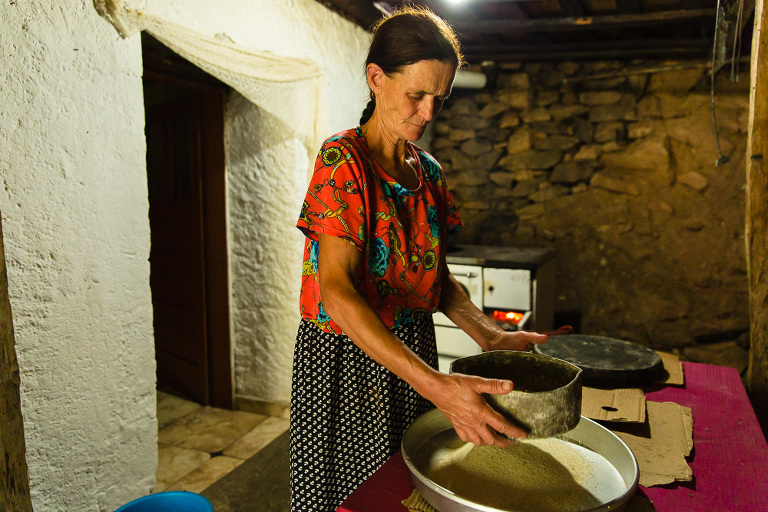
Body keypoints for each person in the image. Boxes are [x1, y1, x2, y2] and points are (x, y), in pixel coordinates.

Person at [290, 6, 547, 511]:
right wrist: (439, 386)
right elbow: (336, 293)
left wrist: (490, 334)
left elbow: (436, 278)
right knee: (358, 497)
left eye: (439, 98)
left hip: (412, 350)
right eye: (416, 95)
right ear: (376, 79)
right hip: (349, 361)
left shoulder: (428, 171)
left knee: (412, 490)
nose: (428, 113)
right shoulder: (343, 162)